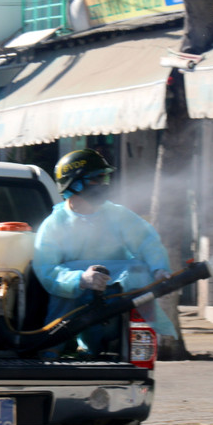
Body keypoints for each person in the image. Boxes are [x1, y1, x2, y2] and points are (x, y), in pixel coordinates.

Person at [32, 149, 174, 356]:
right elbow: (48, 271)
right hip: (74, 302)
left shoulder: (118, 215)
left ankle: (130, 350)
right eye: (97, 178)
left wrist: (159, 269)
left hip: (113, 294)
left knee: (139, 272)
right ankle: (50, 356)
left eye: (104, 177)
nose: (104, 184)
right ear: (75, 183)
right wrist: (80, 279)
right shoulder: (54, 225)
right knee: (62, 293)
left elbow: (147, 242)